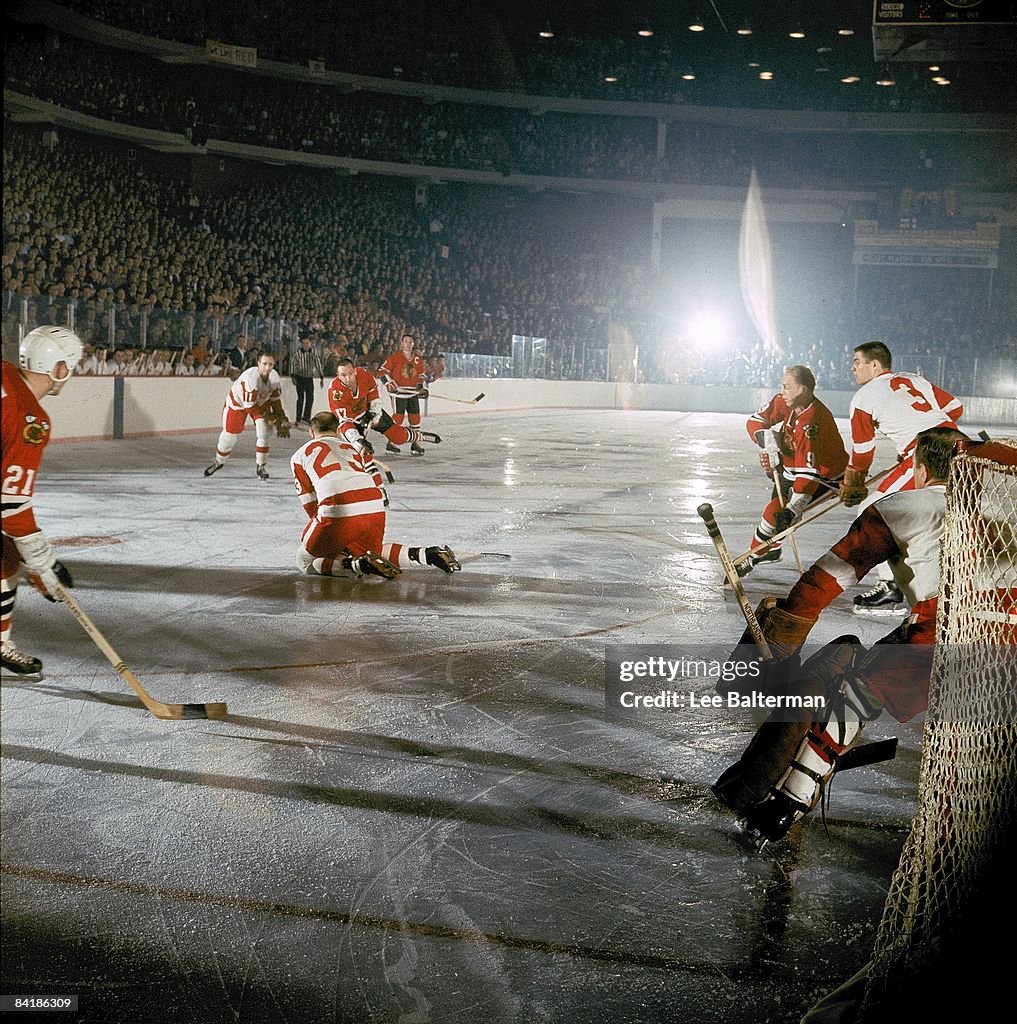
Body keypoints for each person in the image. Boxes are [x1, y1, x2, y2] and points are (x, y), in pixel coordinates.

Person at [713, 426, 970, 847]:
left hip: (944, 635)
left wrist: (780, 639)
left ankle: (782, 805)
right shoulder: (1002, 506)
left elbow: (824, 580)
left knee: (851, 693)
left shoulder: (903, 506)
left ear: (920, 470)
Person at [841, 341, 963, 612]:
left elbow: (862, 452)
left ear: (875, 365)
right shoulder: (912, 378)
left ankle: (890, 588)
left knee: (874, 510)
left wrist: (854, 480)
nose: (852, 367)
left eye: (857, 362)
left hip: (924, 454)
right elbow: (955, 408)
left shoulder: (862, 397)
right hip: (956, 444)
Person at [1, 325, 84, 674]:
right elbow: (11, 506)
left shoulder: (4, 370)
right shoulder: (31, 419)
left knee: (5, 555)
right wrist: (43, 564)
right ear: (59, 369)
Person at [290, 412, 461, 579]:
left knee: (305, 559)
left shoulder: (299, 455)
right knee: (373, 553)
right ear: (337, 430)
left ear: (311, 432)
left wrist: (331, 541)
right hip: (374, 503)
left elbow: (310, 503)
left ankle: (356, 566)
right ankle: (428, 554)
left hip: (338, 507)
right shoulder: (352, 448)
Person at [738, 365, 847, 577]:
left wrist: (794, 509)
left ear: (802, 390)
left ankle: (751, 556)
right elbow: (756, 420)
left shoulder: (812, 422)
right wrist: (765, 440)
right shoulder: (785, 401)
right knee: (776, 513)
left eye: (787, 387)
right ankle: (773, 548)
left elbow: (808, 475)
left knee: (775, 513)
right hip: (793, 469)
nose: (782, 391)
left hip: (824, 477)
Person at [328, 358, 441, 456]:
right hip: (351, 421)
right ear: (338, 376)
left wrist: (373, 414)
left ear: (355, 371)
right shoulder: (336, 392)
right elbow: (345, 422)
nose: (348, 378)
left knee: (397, 436)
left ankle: (420, 436)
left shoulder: (365, 375)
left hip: (368, 410)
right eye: (343, 375)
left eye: (350, 373)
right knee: (362, 452)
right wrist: (357, 440)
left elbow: (374, 397)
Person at [204, 353, 290, 481]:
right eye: (264, 364)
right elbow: (250, 407)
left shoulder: (275, 378)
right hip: (237, 404)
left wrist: (281, 417)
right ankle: (219, 461)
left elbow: (275, 400)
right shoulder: (251, 379)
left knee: (265, 433)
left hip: (260, 403)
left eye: (270, 364)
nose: (267, 368)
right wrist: (273, 418)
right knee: (229, 434)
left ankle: (261, 466)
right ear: (258, 363)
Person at [378, 333, 430, 455]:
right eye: (405, 341)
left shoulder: (417, 359)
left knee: (415, 417)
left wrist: (420, 387)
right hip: (398, 393)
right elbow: (381, 372)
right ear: (401, 343)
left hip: (412, 393)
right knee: (398, 418)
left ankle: (415, 443)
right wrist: (388, 383)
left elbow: (421, 375)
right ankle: (391, 443)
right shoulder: (394, 357)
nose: (408, 344)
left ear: (413, 344)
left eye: (410, 342)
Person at [289, 335, 325, 427]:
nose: (305, 345)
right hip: (300, 377)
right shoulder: (298, 353)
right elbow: (293, 364)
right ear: (301, 344)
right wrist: (293, 376)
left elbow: (317, 363)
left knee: (310, 398)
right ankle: (298, 418)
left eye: (307, 343)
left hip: (309, 378)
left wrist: (321, 376)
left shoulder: (313, 352)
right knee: (300, 398)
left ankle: (306, 417)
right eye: (304, 343)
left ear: (310, 344)